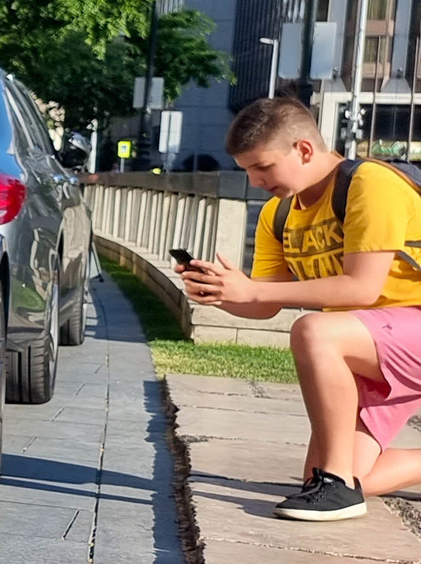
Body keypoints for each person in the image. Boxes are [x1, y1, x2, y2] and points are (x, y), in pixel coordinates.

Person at [178, 97, 421, 519]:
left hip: (403, 329)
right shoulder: (279, 213)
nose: (255, 181)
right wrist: (224, 293)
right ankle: (338, 482)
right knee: (330, 475)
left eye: (263, 167)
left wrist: (252, 291)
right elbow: (265, 305)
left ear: (304, 150)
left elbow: (362, 288)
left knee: (313, 330)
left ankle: (337, 486)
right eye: (247, 170)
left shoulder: (370, 184)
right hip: (371, 347)